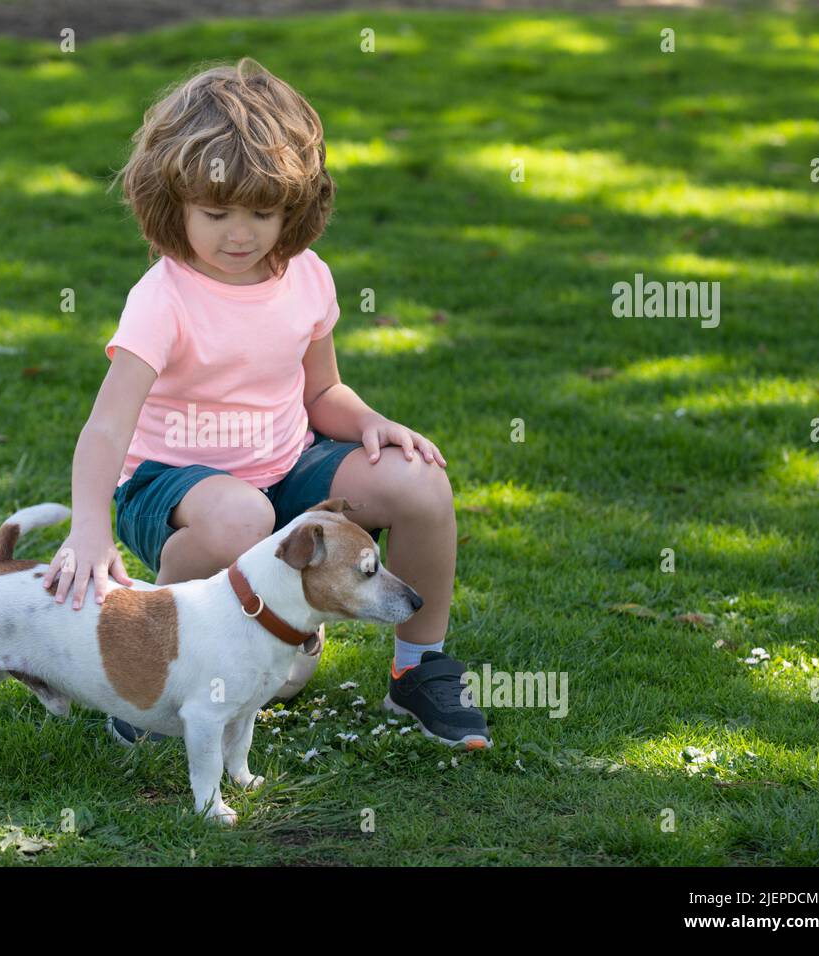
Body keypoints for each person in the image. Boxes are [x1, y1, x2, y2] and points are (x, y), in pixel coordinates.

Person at [38, 57, 489, 750]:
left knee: (418, 481)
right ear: (173, 204)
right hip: (173, 486)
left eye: (262, 212)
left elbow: (321, 393)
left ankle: (418, 670)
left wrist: (371, 423)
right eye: (216, 213)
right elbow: (106, 429)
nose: (240, 234)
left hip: (287, 470)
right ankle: (152, 672)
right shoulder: (163, 298)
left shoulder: (305, 277)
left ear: (296, 206)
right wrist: (90, 530)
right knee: (240, 514)